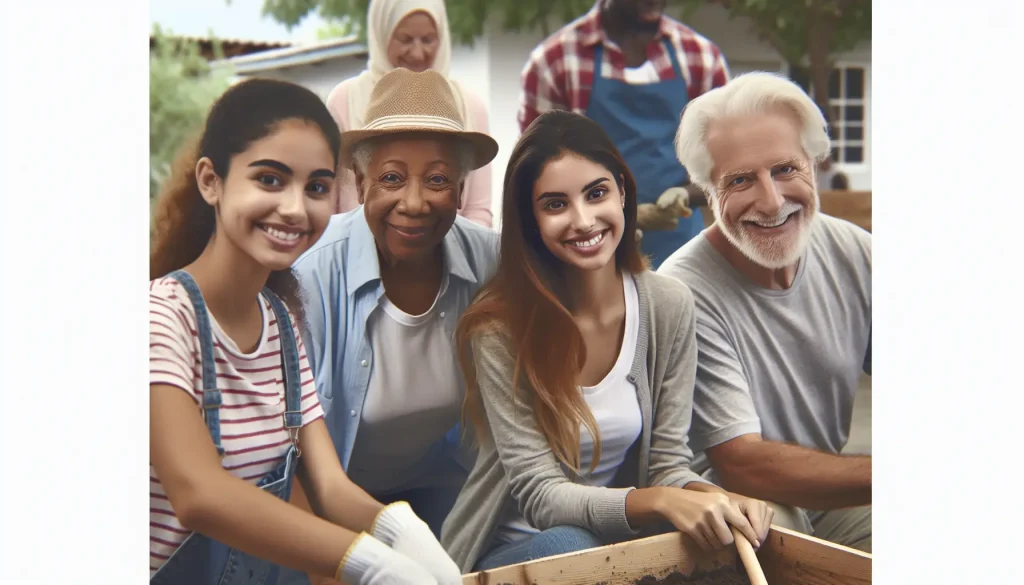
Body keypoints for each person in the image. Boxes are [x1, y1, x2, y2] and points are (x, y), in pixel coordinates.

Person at [148, 78, 463, 585]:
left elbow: (329, 487)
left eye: (316, 187)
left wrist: (399, 530)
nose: (295, 208)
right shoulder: (161, 319)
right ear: (211, 181)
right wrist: (370, 563)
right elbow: (198, 495)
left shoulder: (280, 323)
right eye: (270, 179)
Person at [440, 110, 773, 574]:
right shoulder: (499, 327)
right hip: (515, 551)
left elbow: (668, 465)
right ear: (530, 219)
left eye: (596, 193)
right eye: (555, 205)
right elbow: (539, 494)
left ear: (621, 190)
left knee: (734, 538)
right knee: (574, 545)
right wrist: (658, 501)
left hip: (615, 550)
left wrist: (718, 499)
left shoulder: (668, 305)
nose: (583, 220)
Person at [288, 69, 500, 579]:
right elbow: (284, 449)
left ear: (461, 190)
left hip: (443, 498)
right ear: (360, 185)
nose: (414, 202)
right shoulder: (310, 273)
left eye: (437, 180)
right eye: (391, 178)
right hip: (329, 504)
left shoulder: (491, 263)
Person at [658, 72, 872, 552]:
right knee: (775, 529)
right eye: (740, 180)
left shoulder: (857, 252)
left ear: (813, 163)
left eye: (785, 169)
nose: (772, 202)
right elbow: (743, 464)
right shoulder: (684, 291)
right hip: (726, 513)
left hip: (825, 501)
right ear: (707, 191)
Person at [518, 0, 730, 268]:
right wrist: (615, 212)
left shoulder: (700, 57)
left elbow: (727, 165)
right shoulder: (554, 62)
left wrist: (685, 195)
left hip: (680, 245)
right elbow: (537, 170)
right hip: (588, 242)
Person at [325, 0, 494, 228]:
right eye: (405, 40)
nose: (417, 53)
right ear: (382, 33)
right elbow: (327, 201)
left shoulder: (469, 106)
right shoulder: (346, 99)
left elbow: (478, 211)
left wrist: (448, 247)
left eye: (428, 40)